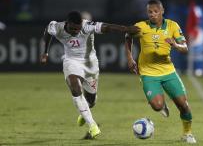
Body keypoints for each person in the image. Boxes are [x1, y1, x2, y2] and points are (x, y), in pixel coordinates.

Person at [40, 11, 139, 139]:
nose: (76, 31)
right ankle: (92, 126)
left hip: (90, 65)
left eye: (78, 28)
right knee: (75, 88)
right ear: (67, 23)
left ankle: (84, 112)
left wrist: (126, 29)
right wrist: (45, 52)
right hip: (71, 61)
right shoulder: (56, 26)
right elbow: (47, 33)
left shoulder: (87, 26)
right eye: (73, 29)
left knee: (91, 101)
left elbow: (107, 27)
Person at [125, 0, 196, 144]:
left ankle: (187, 133)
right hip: (148, 73)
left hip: (168, 71)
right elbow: (127, 36)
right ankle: (161, 105)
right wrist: (130, 58)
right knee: (157, 106)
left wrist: (175, 44)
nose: (152, 14)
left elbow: (185, 48)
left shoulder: (172, 25)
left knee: (183, 105)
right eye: (150, 12)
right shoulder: (141, 26)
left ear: (162, 11)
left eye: (156, 11)